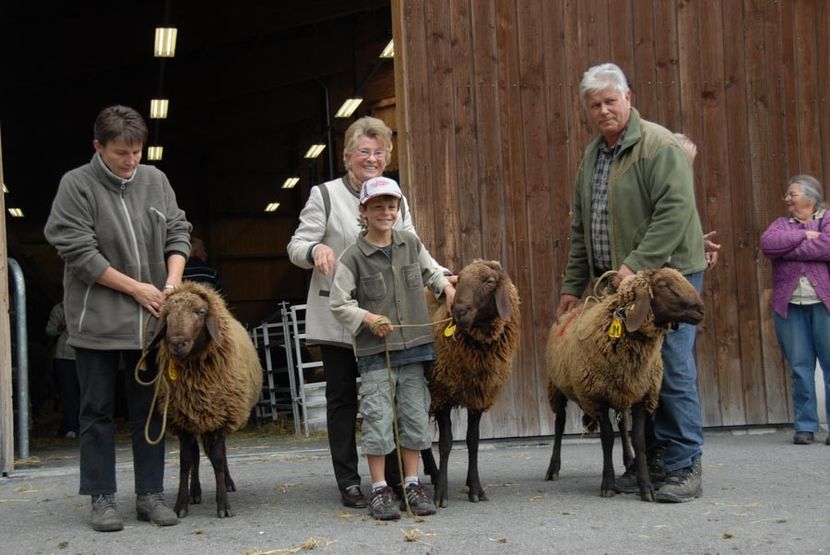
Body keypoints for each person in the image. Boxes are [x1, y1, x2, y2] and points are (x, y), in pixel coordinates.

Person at [554, 63, 708, 503]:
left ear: (629, 97)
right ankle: (652, 461)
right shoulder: (592, 156)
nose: (603, 110)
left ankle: (684, 465)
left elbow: (675, 212)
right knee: (632, 372)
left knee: (668, 370)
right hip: (621, 287)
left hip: (664, 282)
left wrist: (635, 265)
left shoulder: (659, 146)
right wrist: (572, 285)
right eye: (594, 104)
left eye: (610, 101)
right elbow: (583, 227)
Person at [287, 116, 450, 509]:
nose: (372, 158)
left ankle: (396, 479)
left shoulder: (395, 199)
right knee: (344, 398)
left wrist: (444, 279)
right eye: (364, 151)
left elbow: (413, 249)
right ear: (347, 157)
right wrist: (315, 250)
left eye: (379, 152)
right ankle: (350, 481)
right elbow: (297, 244)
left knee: (392, 396)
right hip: (340, 317)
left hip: (387, 322)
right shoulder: (324, 195)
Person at [44, 105, 192, 532]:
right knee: (96, 411)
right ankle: (102, 498)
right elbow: (79, 251)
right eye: (120, 153)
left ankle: (149, 495)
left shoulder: (155, 181)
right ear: (98, 147)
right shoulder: (77, 185)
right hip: (98, 324)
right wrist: (136, 288)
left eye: (137, 151)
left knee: (150, 410)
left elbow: (178, 231)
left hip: (150, 323)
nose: (130, 161)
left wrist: (171, 283)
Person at [330, 176, 454, 520]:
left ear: (399, 209)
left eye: (392, 205)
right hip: (375, 357)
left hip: (415, 352)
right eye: (378, 206)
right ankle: (381, 489)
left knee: (414, 418)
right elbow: (339, 304)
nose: (386, 212)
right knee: (378, 420)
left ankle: (413, 484)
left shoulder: (411, 244)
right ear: (363, 211)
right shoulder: (353, 257)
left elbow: (433, 274)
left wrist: (448, 291)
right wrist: (367, 317)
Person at [760, 175, 830, 446]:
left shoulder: (826, 220)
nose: (787, 199)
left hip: (824, 304)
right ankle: (805, 426)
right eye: (787, 195)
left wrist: (790, 249)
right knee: (800, 367)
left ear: (810, 198)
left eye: (793, 194)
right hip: (790, 306)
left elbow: (827, 246)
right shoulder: (781, 225)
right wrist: (803, 235)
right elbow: (769, 245)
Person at [673, 133, 721, 270]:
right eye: (685, 162)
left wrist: (699, 245)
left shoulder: (682, 187)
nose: (688, 170)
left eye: (691, 164)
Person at [45, 301, 79, 439]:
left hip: (85, 354)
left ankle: (83, 425)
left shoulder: (89, 304)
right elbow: (50, 330)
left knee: (85, 392)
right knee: (68, 392)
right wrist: (62, 325)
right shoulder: (59, 308)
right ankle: (70, 427)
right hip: (65, 356)